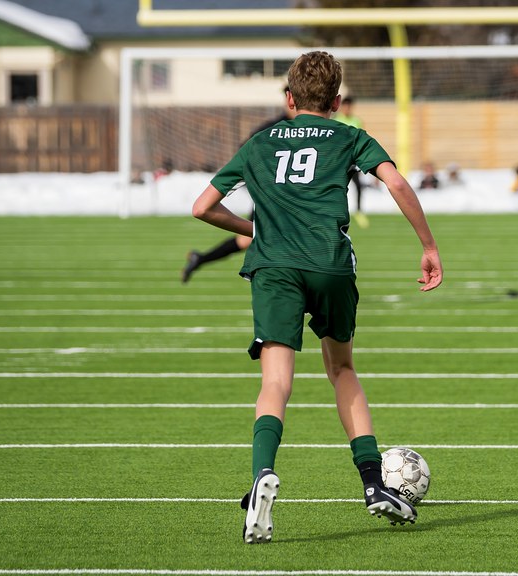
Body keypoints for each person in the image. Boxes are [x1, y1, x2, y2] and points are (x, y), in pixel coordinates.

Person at [191, 51, 443, 544]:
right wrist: (429, 246)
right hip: (329, 263)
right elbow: (393, 180)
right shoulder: (349, 134)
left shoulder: (260, 142)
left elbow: (202, 207)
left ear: (289, 98)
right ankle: (374, 486)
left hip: (274, 268)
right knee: (342, 370)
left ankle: (263, 474)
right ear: (336, 101)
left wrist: (256, 230)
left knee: (275, 380)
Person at [181, 87, 295, 283]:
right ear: (289, 100)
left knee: (248, 239)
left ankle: (200, 258)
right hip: (272, 195)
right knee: (256, 236)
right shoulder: (272, 128)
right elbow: (245, 152)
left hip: (288, 197)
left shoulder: (311, 130)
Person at [332, 95, 369, 227]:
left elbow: (362, 139)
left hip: (352, 160)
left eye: (349, 106)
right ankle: (338, 212)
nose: (348, 109)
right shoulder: (337, 121)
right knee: (339, 187)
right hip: (339, 160)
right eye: (346, 106)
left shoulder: (357, 121)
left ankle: (359, 211)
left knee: (358, 185)